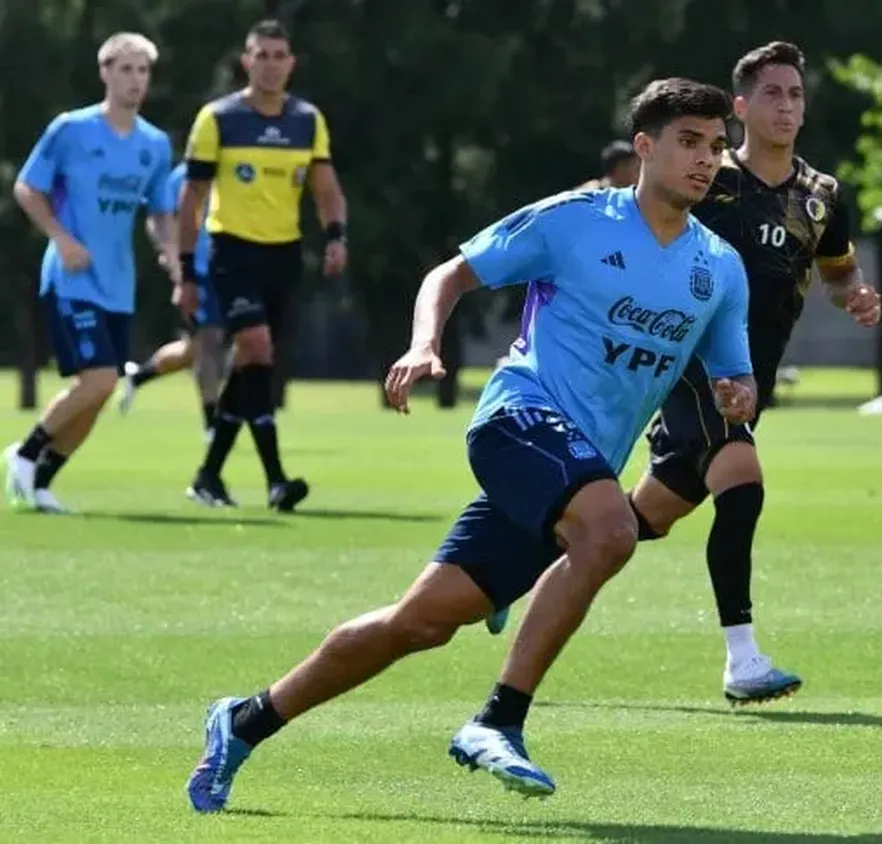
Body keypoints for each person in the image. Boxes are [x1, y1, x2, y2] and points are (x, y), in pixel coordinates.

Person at [185, 77, 752, 812]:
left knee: (418, 622)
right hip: (519, 420)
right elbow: (450, 274)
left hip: (578, 469)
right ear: (644, 148)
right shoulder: (576, 220)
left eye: (715, 146)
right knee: (610, 532)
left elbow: (734, 375)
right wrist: (425, 344)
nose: (706, 160)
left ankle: (245, 719)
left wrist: (738, 394)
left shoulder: (719, 268)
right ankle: (497, 722)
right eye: (689, 143)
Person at [485, 42, 881, 706]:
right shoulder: (708, 178)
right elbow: (637, 226)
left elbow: (839, 273)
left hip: (748, 377)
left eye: (797, 94)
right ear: (742, 106)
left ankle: (510, 572)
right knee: (742, 479)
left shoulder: (822, 196)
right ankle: (742, 659)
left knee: (645, 518)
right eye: (773, 93)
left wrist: (857, 297)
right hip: (682, 364)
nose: (788, 106)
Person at [3, 33, 178, 515]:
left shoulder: (155, 144)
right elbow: (27, 188)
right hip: (71, 277)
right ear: (105, 73)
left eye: (142, 71)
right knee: (100, 380)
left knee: (98, 396)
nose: (135, 80)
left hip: (118, 285)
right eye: (125, 69)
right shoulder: (71, 129)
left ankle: (39, 482)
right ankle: (25, 451)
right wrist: (61, 238)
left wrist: (172, 257)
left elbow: (159, 212)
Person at [177, 18, 348, 511]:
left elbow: (326, 188)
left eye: (280, 56)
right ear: (246, 61)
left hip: (284, 255)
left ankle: (209, 475)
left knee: (254, 365)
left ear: (291, 63)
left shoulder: (307, 121)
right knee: (255, 347)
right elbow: (192, 201)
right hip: (232, 250)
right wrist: (186, 271)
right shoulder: (218, 118)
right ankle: (276, 478)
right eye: (262, 55)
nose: (271, 65)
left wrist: (335, 236)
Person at [116, 162, 228, 440]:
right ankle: (212, 424)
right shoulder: (185, 174)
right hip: (199, 272)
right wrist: (171, 255)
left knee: (198, 349)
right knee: (209, 342)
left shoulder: (242, 164)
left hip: (233, 270)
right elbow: (157, 217)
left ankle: (139, 376)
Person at [576, 139, 640, 190]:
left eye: (635, 163)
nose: (636, 168)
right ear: (614, 167)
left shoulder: (638, 194)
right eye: (628, 164)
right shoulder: (591, 192)